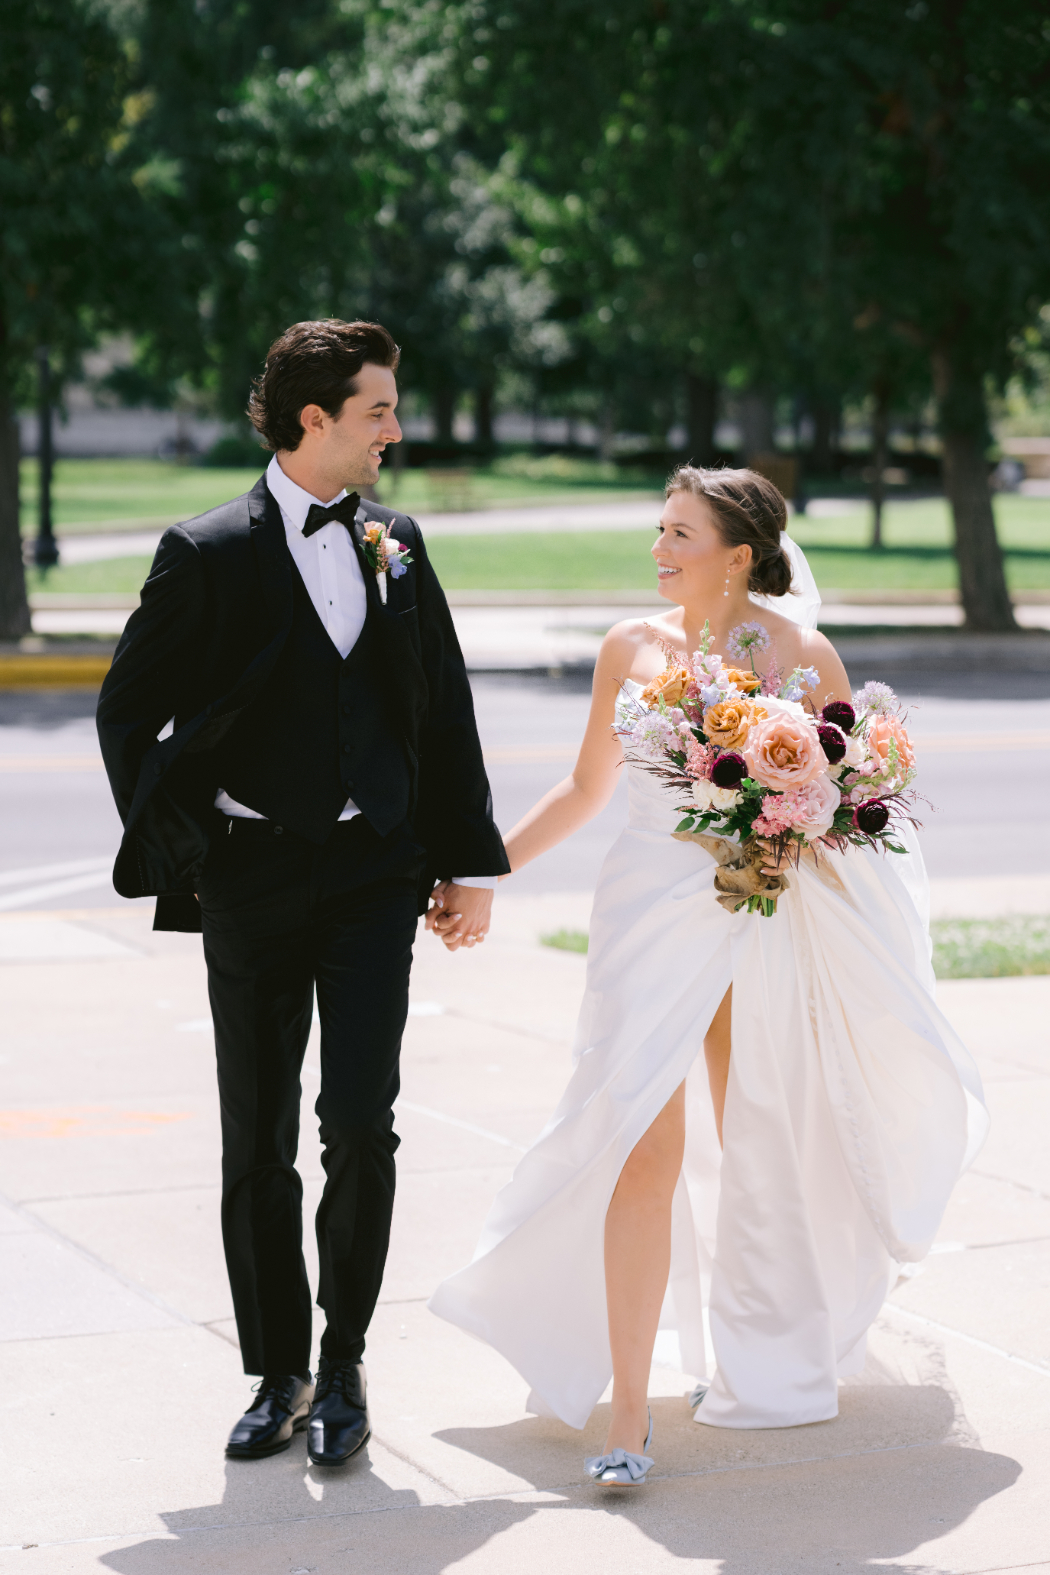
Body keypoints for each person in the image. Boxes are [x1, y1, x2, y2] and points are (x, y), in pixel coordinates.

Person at [428, 466, 987, 1486]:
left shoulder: (799, 653)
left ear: (739, 552)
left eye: (681, 533)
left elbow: (844, 805)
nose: (659, 548)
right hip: (644, 916)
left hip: (751, 918)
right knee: (640, 1137)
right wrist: (484, 868)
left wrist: (786, 821)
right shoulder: (628, 647)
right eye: (659, 529)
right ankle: (630, 1414)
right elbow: (589, 785)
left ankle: (762, 1360)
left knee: (755, 1134)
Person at [96, 319, 508, 1467]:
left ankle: (343, 1364)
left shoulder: (397, 540)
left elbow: (442, 703)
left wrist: (465, 862)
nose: (395, 428)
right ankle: (275, 1370)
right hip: (252, 875)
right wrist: (185, 845)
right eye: (378, 408)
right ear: (312, 419)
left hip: (373, 872)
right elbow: (128, 712)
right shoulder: (205, 551)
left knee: (360, 1128)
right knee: (258, 1138)